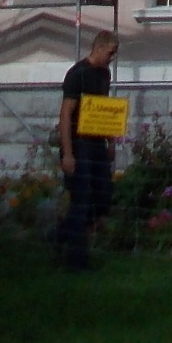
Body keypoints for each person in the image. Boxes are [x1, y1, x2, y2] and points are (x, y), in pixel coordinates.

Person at [55, 29, 120, 270]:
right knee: (81, 201)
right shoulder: (77, 74)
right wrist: (68, 153)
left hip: (96, 143)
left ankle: (59, 236)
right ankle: (76, 261)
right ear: (99, 48)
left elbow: (103, 109)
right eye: (111, 53)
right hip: (79, 144)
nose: (112, 58)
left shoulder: (104, 74)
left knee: (102, 196)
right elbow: (65, 114)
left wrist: (110, 141)